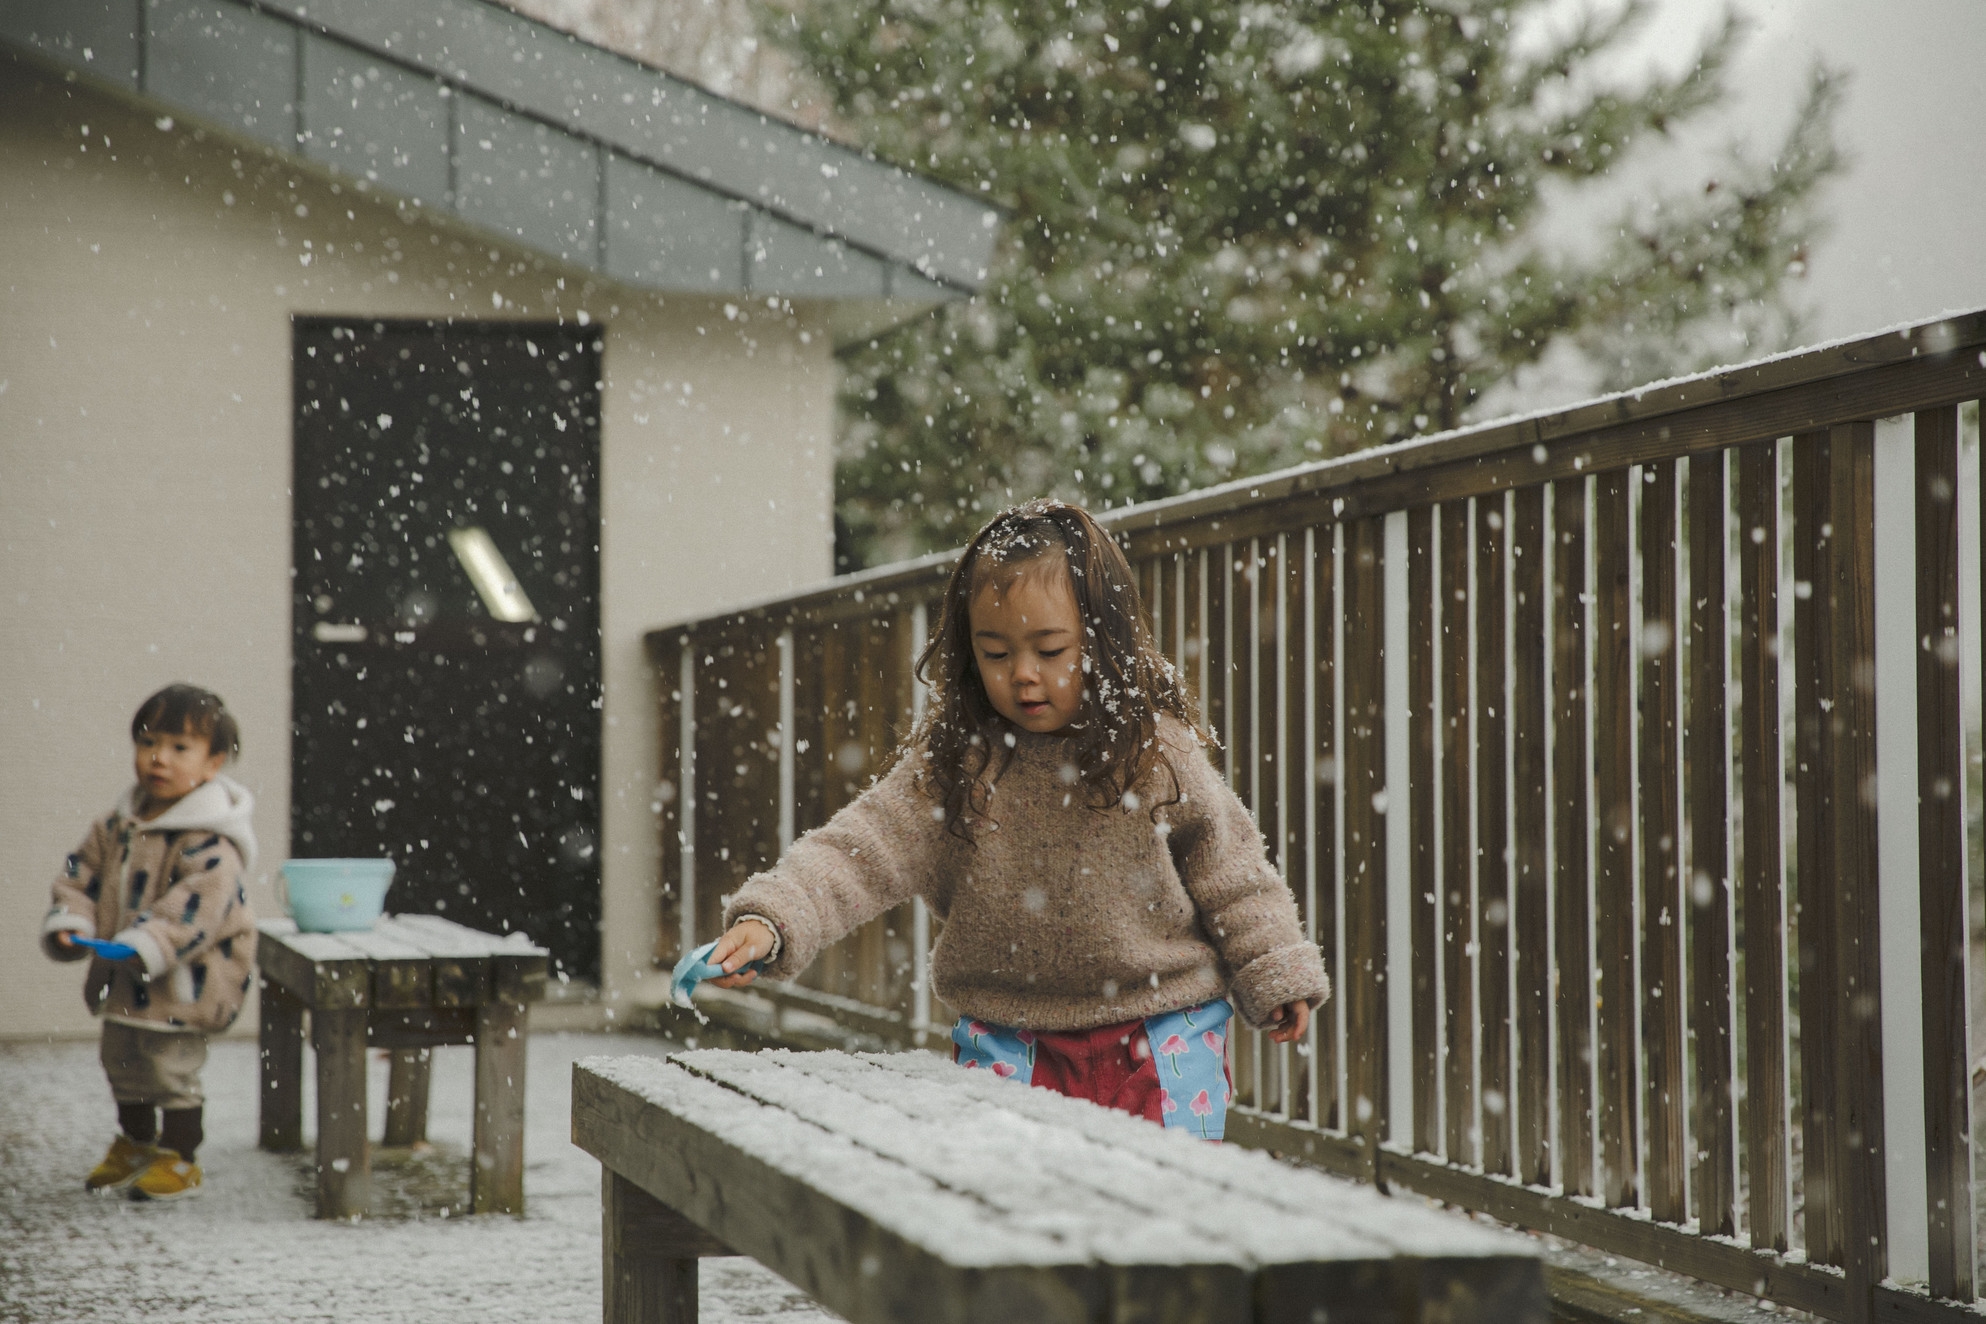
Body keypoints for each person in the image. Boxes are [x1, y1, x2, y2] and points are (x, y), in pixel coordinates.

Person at [708, 500, 1329, 1140]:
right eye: (996, 652)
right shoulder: (955, 768)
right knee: (1010, 1207)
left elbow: (1232, 869)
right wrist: (773, 917)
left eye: (1051, 649)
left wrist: (1274, 967)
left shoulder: (1155, 753)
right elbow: (856, 851)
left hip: (1164, 1026)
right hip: (1009, 1034)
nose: (1024, 675)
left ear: (1103, 643)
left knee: (1161, 1211)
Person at [41, 684, 258, 1199]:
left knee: (170, 1069)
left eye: (180, 748)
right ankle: (136, 1143)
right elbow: (79, 871)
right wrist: (73, 919)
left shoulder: (210, 840)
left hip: (182, 984)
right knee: (121, 1062)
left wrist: (147, 941)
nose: (158, 758)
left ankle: (181, 1158)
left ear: (213, 765)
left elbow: (197, 906)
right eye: (148, 742)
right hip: (122, 978)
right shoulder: (116, 824)